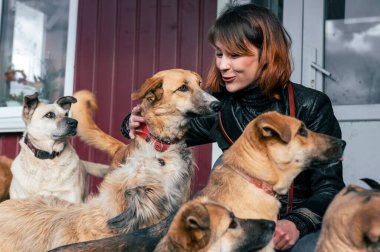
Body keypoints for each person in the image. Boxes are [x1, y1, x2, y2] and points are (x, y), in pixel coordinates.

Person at [121, 3, 344, 251]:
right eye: (219, 54)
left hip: (299, 225)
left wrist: (297, 223)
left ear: (267, 54)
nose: (223, 65)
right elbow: (168, 131)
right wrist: (137, 123)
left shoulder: (310, 105)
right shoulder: (219, 106)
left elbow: (330, 187)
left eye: (234, 55)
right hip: (242, 226)